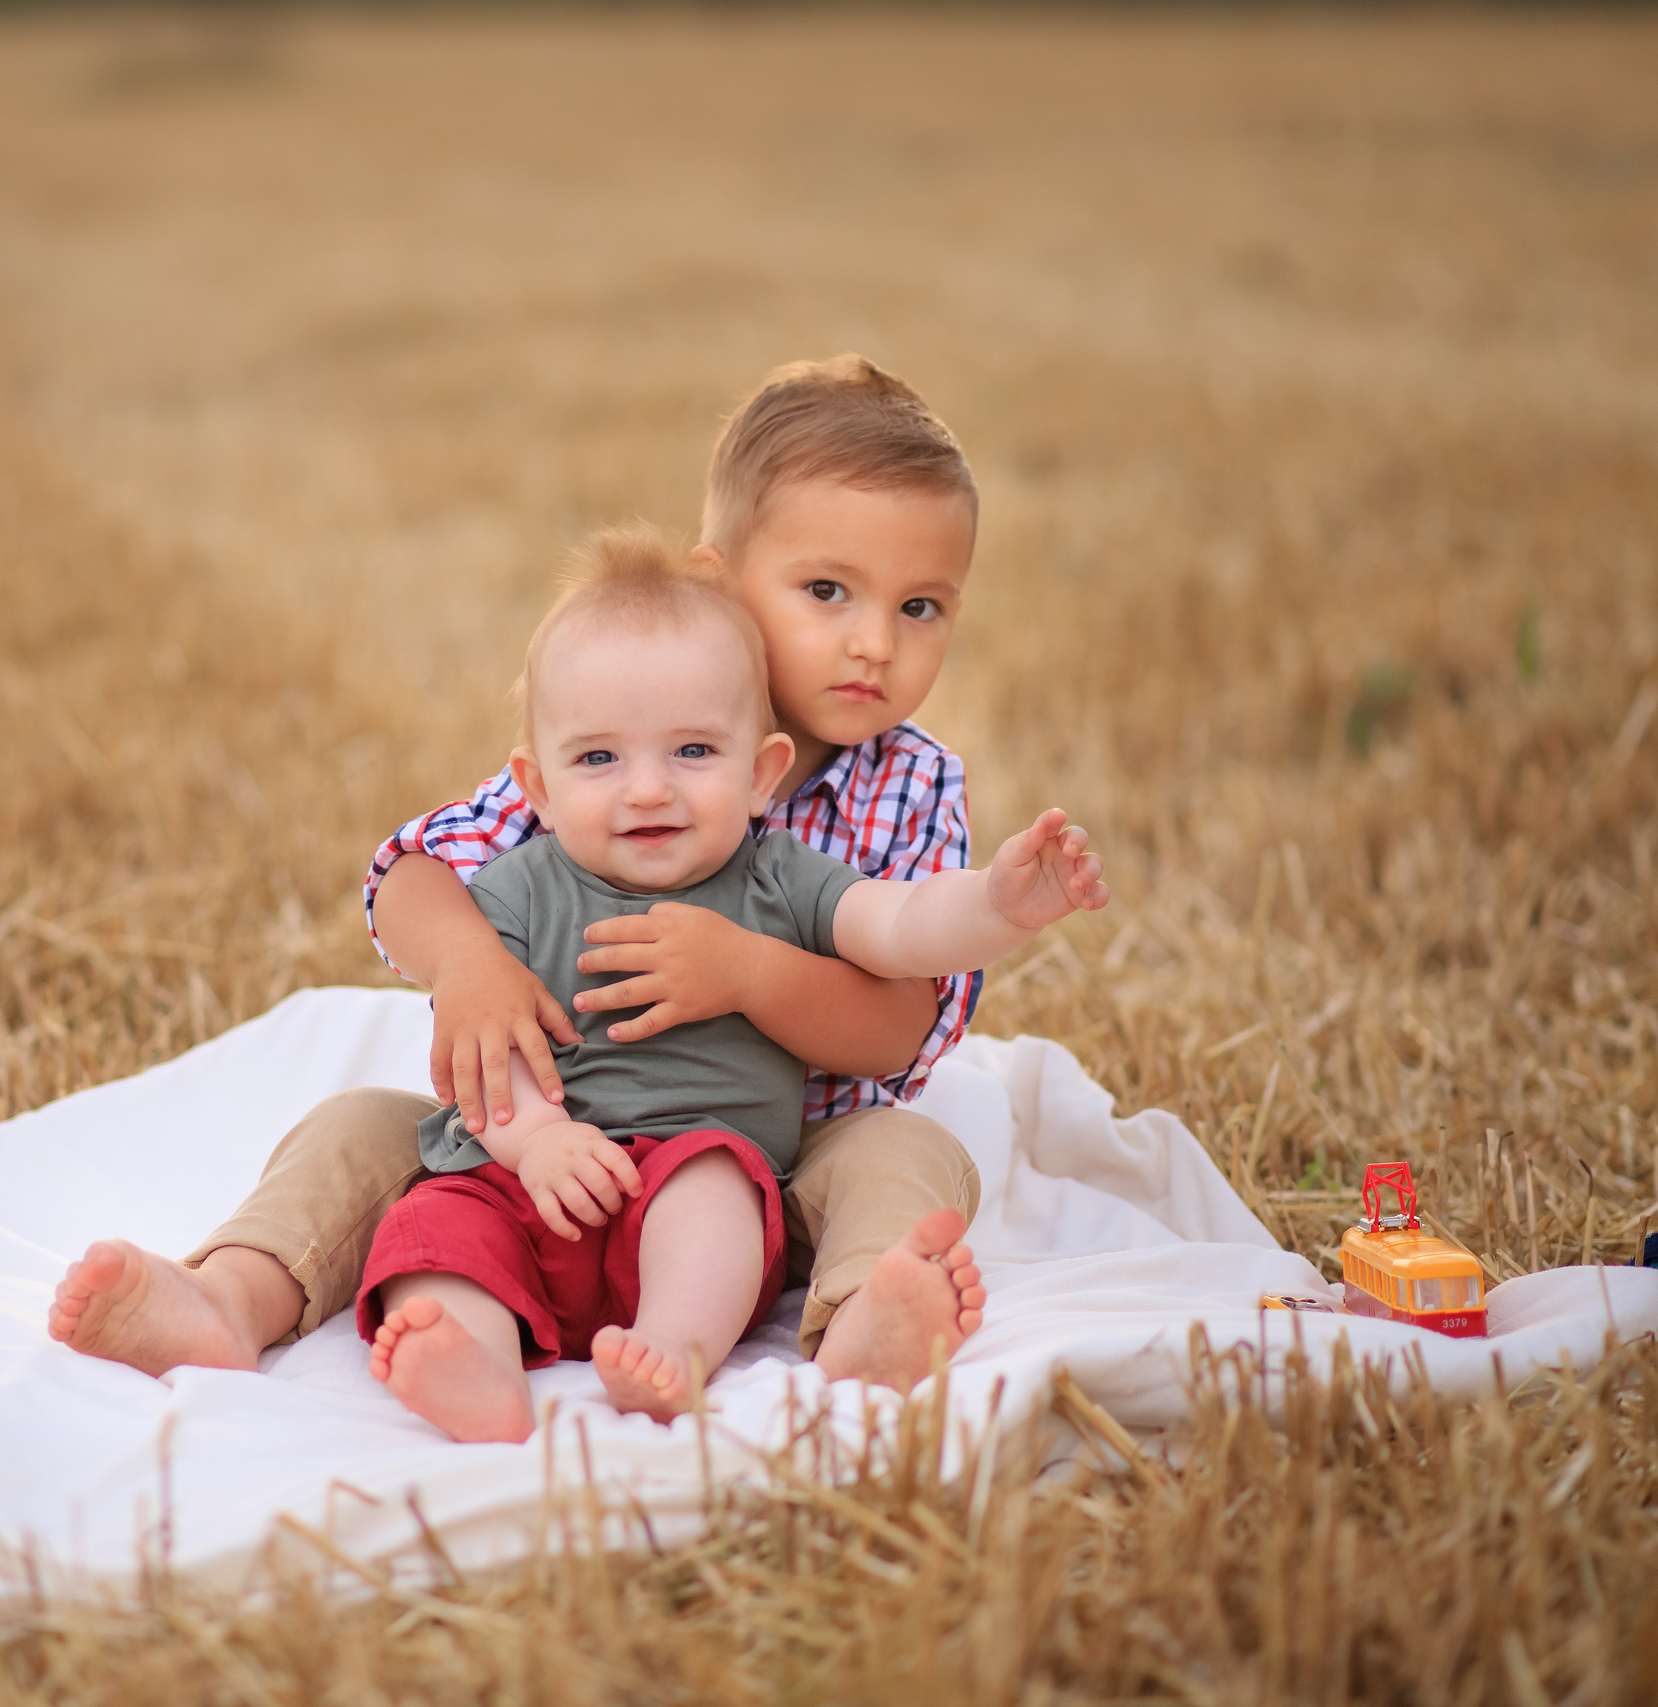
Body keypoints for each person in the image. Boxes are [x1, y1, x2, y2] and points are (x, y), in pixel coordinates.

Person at [52, 355, 1024, 1395]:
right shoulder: (628, 728)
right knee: (359, 1130)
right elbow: (414, 873)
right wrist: (469, 965)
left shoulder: (911, 783)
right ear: (717, 581)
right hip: (535, 1144)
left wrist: (746, 974)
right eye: (826, 591)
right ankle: (230, 1299)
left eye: (921, 607)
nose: (872, 643)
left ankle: (864, 1316)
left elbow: (898, 1025)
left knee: (903, 1151)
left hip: (771, 1164)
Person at [354, 526, 1103, 1441]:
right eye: (599, 759)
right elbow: (485, 1044)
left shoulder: (776, 877)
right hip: (524, 1178)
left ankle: (673, 1348)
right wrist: (540, 1139)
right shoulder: (517, 885)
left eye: (692, 754)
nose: (645, 791)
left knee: (715, 1186)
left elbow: (902, 926)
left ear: (760, 775)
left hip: (689, 1172)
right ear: (537, 788)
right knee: (438, 1231)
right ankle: (472, 1360)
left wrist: (998, 902)